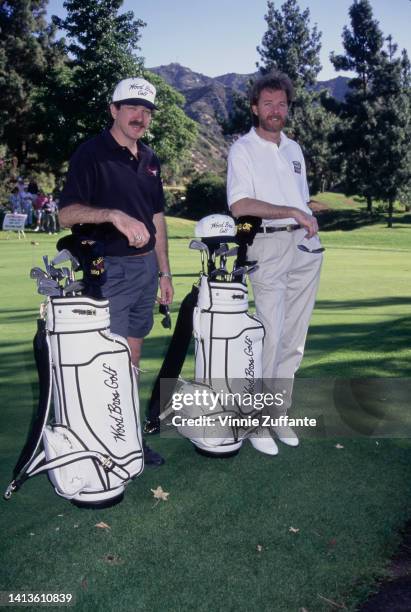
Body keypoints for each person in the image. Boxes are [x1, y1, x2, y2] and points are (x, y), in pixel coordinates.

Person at [58, 76, 174, 467]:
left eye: (146, 111)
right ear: (114, 110)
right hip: (109, 271)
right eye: (132, 109)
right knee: (110, 360)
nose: (140, 117)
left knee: (132, 359)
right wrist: (111, 214)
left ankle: (129, 439)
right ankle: (106, 444)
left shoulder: (151, 158)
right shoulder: (91, 154)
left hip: (144, 271)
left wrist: (165, 273)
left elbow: (157, 219)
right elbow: (66, 214)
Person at [227, 70, 323, 456]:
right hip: (267, 246)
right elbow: (240, 206)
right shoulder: (243, 149)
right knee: (269, 332)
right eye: (268, 103)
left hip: (303, 246)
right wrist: (291, 212)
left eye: (281, 103)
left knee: (293, 336)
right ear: (255, 107)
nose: (275, 110)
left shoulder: (294, 149)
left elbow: (301, 199)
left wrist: (307, 215)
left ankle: (277, 410)